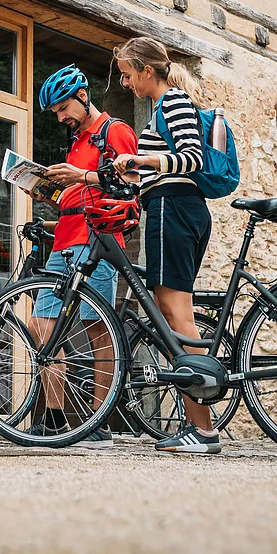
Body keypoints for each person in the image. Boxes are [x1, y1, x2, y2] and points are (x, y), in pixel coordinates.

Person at [110, 37, 221, 454]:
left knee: (176, 316)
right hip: (172, 208)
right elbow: (163, 165)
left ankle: (202, 430)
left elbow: (191, 158)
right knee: (176, 314)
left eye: (127, 74)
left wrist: (142, 161)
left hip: (173, 209)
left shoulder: (172, 101)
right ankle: (200, 426)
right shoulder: (164, 107)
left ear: (146, 70)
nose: (125, 83)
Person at [28, 64, 140, 448]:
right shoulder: (76, 141)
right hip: (63, 240)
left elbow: (131, 182)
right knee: (41, 324)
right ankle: (55, 417)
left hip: (97, 239)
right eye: (55, 113)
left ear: (82, 96)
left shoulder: (114, 131)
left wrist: (80, 177)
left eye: (63, 108)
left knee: (97, 330)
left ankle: (99, 421)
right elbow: (76, 193)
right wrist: (45, 192)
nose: (60, 118)